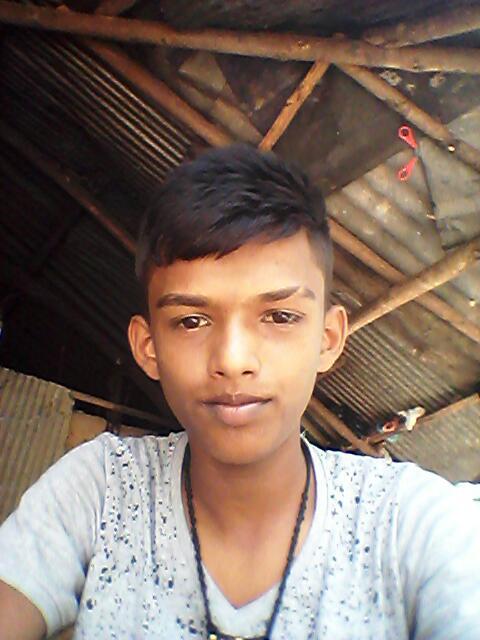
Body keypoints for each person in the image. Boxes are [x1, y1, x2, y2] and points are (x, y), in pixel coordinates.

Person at [0, 145, 479, 640]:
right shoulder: (102, 491)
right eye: (191, 321)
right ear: (148, 347)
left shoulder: (408, 524)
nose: (232, 359)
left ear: (327, 339)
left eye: (280, 316)